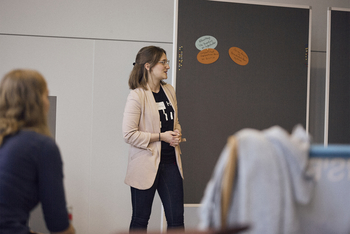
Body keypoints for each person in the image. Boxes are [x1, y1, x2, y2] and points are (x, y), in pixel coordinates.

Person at [0, 69, 75, 234]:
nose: (47, 102)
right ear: (36, 102)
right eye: (45, 95)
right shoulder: (42, 147)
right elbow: (58, 225)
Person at [122, 46, 185, 231]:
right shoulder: (137, 95)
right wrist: (161, 137)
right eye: (163, 62)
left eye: (167, 62)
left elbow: (175, 122)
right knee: (140, 220)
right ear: (148, 66)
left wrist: (177, 133)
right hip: (144, 165)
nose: (168, 66)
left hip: (171, 163)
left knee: (176, 221)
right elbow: (128, 134)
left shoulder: (169, 91)